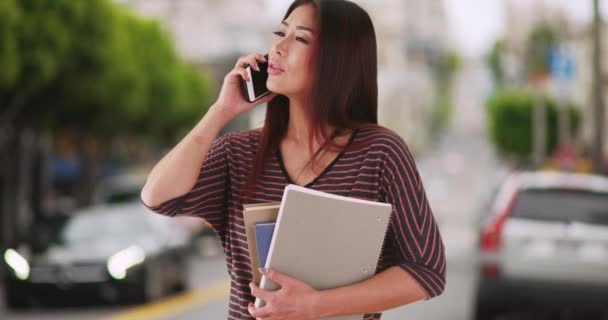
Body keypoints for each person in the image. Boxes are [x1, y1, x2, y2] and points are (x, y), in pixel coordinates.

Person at [141, 0, 446, 319]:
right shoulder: (239, 153)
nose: (278, 47)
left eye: (300, 38)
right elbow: (157, 198)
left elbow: (426, 271)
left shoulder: (381, 153)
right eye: (279, 33)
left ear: (337, 60)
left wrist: (314, 305)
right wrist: (222, 112)